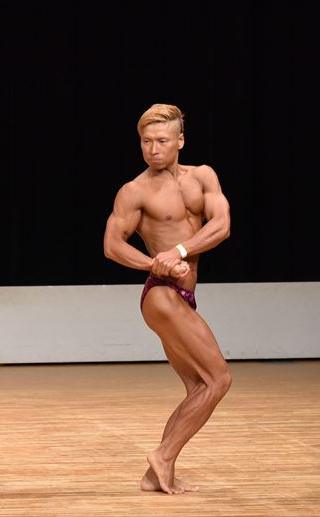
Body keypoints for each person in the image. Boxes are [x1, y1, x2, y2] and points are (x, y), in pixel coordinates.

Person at [103, 103, 233, 495]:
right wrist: (154, 264)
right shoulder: (135, 191)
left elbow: (222, 225)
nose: (153, 149)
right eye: (146, 141)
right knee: (219, 379)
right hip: (161, 295)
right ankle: (163, 455)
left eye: (161, 140)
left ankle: (157, 474)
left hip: (184, 294)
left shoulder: (203, 176)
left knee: (198, 387)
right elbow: (112, 245)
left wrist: (178, 251)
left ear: (180, 141)